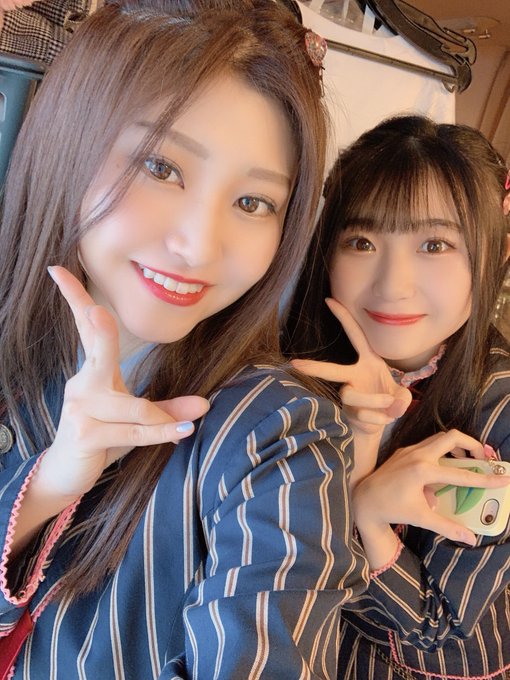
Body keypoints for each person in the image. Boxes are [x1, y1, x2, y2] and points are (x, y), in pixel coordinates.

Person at [0, 1, 371, 677]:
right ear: (68, 139)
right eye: (161, 166)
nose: (199, 246)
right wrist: (47, 487)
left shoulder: (280, 435)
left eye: (253, 202)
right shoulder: (11, 353)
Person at [284, 115, 510, 679]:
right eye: (362, 242)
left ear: (494, 255)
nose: (393, 284)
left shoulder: (499, 408)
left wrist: (364, 508)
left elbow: (438, 624)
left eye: (435, 243)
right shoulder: (296, 371)